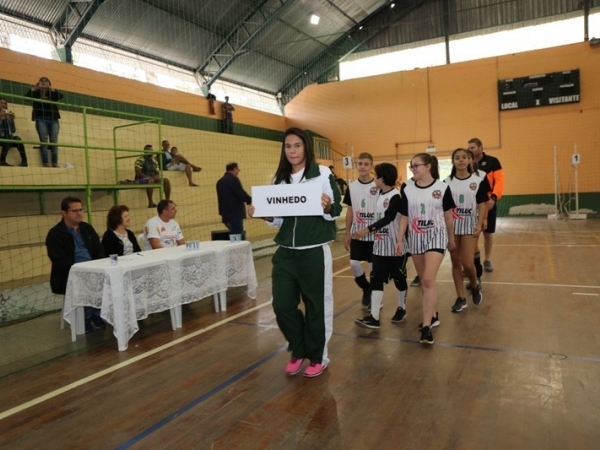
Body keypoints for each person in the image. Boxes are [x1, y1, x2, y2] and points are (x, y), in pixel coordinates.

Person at [248, 127, 342, 378]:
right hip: (286, 254)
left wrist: (328, 205)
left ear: (306, 147)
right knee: (281, 305)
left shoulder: (322, 174)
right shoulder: (279, 179)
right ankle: (298, 349)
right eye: (288, 146)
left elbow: (336, 209)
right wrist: (266, 215)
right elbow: (279, 220)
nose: (292, 151)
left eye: (297, 146)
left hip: (314, 252)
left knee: (316, 306)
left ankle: (317, 356)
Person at [396, 153, 456, 345]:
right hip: (415, 237)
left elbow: (448, 217)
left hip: (436, 236)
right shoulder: (407, 188)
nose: (413, 169)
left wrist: (451, 239)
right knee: (424, 281)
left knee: (429, 279)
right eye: (411, 166)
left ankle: (427, 326)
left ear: (428, 166)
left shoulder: (442, 188)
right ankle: (433, 314)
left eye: (416, 166)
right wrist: (399, 241)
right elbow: (404, 217)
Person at [353, 163, 409, 329]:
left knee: (399, 279)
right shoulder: (378, 194)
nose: (374, 178)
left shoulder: (396, 196)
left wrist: (367, 230)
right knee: (376, 279)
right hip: (379, 247)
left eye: (375, 175)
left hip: (395, 247)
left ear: (382, 178)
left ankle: (402, 307)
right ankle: (374, 317)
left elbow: (389, 218)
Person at [46, 196, 105, 333]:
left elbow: (99, 249)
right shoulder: (55, 234)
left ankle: (97, 314)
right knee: (87, 281)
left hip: (93, 268)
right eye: (74, 211)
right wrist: (79, 269)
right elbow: (59, 260)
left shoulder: (87, 228)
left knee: (109, 278)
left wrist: (101, 263)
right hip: (70, 273)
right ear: (64, 213)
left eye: (81, 210)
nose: (79, 213)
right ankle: (85, 318)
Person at [444, 148, 489, 312]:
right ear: (453, 161)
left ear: (469, 160)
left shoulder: (477, 181)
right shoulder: (446, 183)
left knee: (468, 263)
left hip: (470, 226)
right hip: (452, 226)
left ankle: (475, 285)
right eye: (457, 158)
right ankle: (460, 298)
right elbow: (442, 207)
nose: (461, 160)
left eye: (464, 157)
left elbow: (482, 203)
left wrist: (480, 223)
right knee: (456, 262)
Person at [342, 152, 377, 309]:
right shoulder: (352, 186)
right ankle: (366, 288)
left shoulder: (378, 185)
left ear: (371, 166)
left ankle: (377, 298)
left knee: (373, 268)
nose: (362, 166)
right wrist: (347, 232)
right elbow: (350, 210)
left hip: (374, 234)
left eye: (366, 164)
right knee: (354, 263)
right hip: (357, 234)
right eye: (360, 163)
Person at [467, 138, 505, 273]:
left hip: (489, 201)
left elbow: (499, 181)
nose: (470, 150)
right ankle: (472, 260)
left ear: (480, 147)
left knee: (488, 233)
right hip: (471, 203)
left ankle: (487, 259)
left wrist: (493, 198)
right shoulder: (467, 163)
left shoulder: (493, 162)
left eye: (473, 147)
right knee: (473, 233)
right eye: (469, 148)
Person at [24, 77, 63, 168]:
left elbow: (60, 96)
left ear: (49, 83)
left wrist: (51, 89)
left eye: (46, 81)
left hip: (53, 120)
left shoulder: (52, 93)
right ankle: (45, 162)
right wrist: (34, 88)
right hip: (41, 119)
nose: (44, 83)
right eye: (42, 81)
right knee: (44, 139)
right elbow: (26, 97)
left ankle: (55, 162)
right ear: (38, 83)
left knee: (54, 140)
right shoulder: (35, 93)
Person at [216, 161, 252, 240]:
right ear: (235, 169)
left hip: (226, 216)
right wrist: (251, 200)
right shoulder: (233, 179)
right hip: (235, 215)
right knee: (238, 239)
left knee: (234, 236)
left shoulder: (219, 182)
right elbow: (240, 193)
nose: (238, 172)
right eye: (238, 170)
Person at [0, 97, 28, 167]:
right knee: (9, 137)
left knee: (18, 138)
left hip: (8, 138)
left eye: (5, 103)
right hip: (1, 137)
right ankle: (2, 160)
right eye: (1, 103)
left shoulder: (7, 115)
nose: (3, 105)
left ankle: (24, 162)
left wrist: (12, 120)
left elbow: (13, 130)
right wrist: (1, 118)